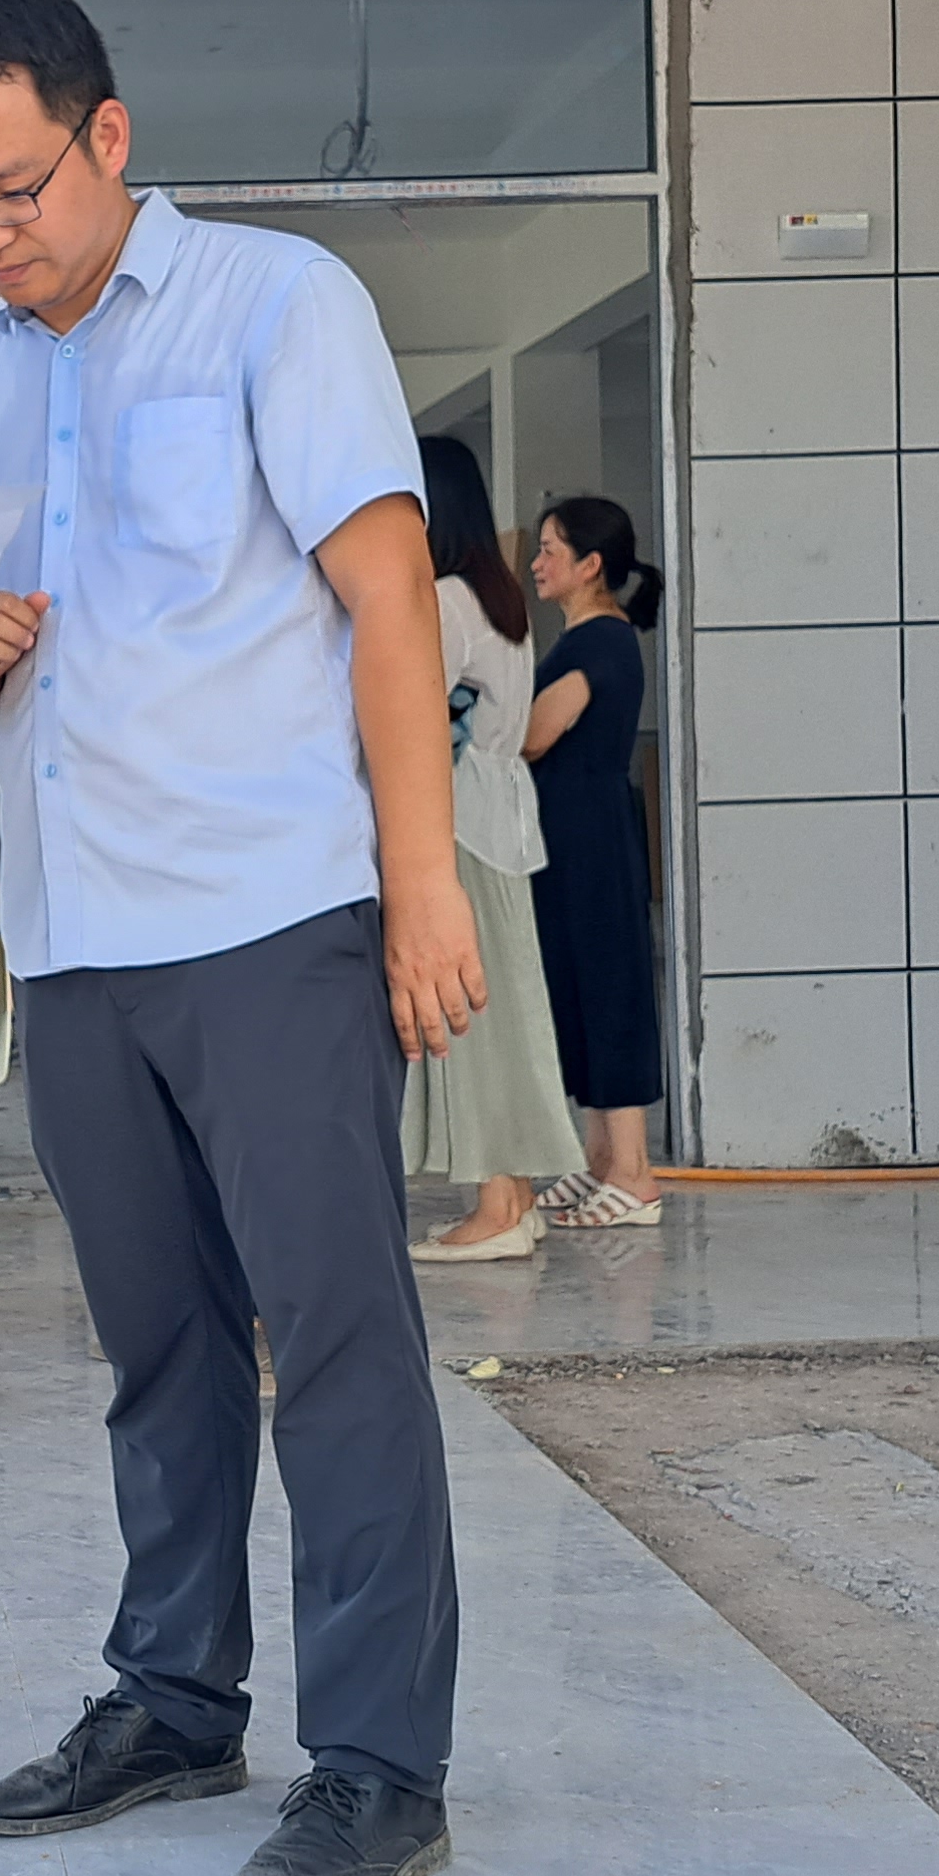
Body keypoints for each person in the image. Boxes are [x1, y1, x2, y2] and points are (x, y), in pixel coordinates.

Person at [0, 0, 482, 1876]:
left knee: (333, 1338)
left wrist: (420, 881)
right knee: (152, 1340)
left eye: (14, 189)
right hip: (71, 932)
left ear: (108, 138)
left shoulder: (274, 303)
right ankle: (172, 1695)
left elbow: (386, 598)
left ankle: (377, 1760)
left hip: (268, 915)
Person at [399, 437, 584, 1263]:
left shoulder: (444, 600)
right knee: (504, 1005)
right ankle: (513, 1199)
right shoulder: (498, 597)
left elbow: (410, 709)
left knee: (466, 1014)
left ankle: (497, 1207)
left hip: (458, 820)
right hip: (504, 815)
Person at [524, 494, 668, 1229]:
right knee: (577, 983)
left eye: (551, 550)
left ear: (590, 565)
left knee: (608, 985)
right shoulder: (586, 638)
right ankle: (601, 1159)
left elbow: (535, 734)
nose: (536, 563)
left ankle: (635, 1174)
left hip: (591, 837)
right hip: (567, 837)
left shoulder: (601, 643)